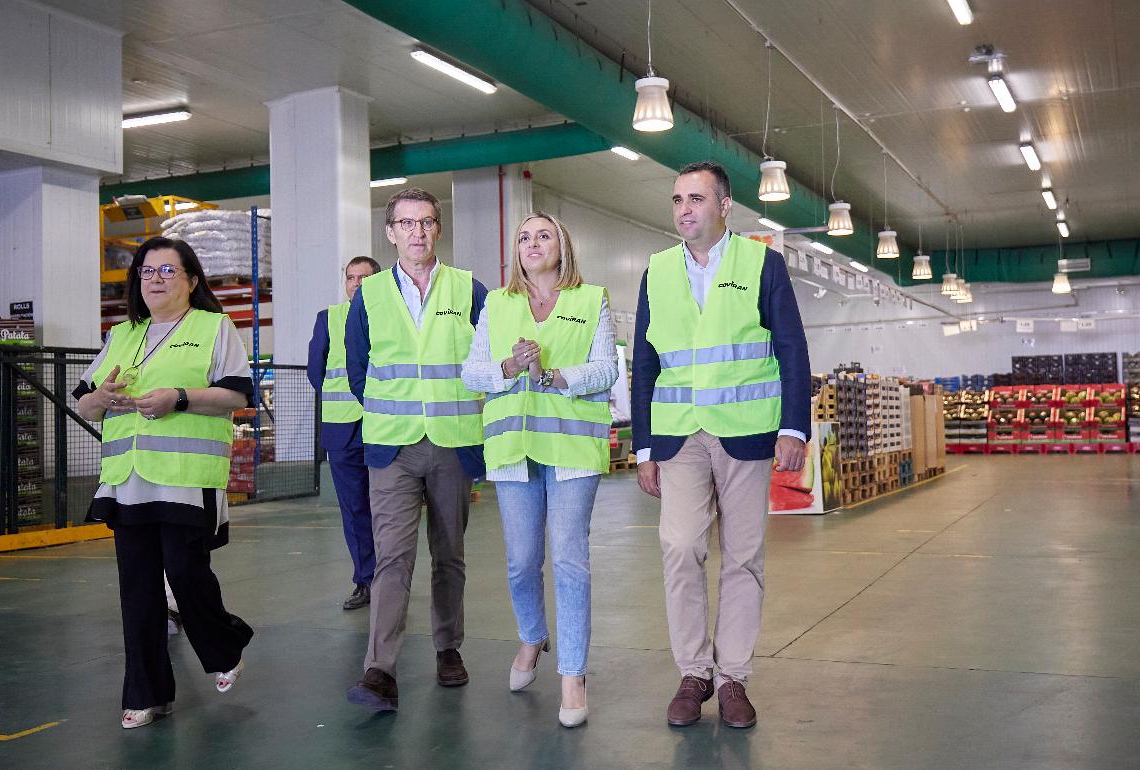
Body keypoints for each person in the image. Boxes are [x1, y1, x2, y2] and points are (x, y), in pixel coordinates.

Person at [632, 161, 810, 729]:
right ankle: (694, 671)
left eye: (697, 199)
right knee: (681, 547)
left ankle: (733, 677)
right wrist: (642, 447)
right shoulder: (656, 271)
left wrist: (793, 427)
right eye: (678, 199)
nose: (685, 209)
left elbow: (791, 348)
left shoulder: (763, 264)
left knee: (743, 556)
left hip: (747, 433)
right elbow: (645, 364)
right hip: (679, 433)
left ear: (724, 206)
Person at [75, 236, 255, 730]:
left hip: (185, 479)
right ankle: (146, 692)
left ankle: (222, 643)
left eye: (167, 271)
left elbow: (235, 396)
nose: (154, 280)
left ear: (192, 280)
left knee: (183, 572)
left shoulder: (214, 328)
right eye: (146, 271)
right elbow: (84, 402)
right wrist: (103, 396)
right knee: (137, 591)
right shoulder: (122, 333)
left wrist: (179, 396)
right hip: (127, 480)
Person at [462, 212, 616, 728]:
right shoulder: (497, 304)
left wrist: (553, 374)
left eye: (543, 235)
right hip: (513, 451)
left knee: (570, 561)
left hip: (572, 451)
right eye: (524, 237)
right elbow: (472, 371)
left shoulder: (590, 299)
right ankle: (532, 635)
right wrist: (506, 370)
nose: (532, 243)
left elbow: (606, 369)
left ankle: (572, 675)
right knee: (521, 561)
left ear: (563, 246)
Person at [343, 188, 488, 713]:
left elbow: (486, 361)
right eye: (406, 224)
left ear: (438, 229)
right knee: (393, 559)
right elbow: (360, 371)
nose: (417, 233)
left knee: (449, 553)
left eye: (426, 223)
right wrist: (396, 414)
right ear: (390, 233)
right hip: (391, 450)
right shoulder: (371, 294)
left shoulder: (470, 290)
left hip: (452, 445)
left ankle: (448, 647)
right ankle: (379, 669)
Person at [307, 255, 381, 610]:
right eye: (351, 278)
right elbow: (315, 371)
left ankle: (392, 580)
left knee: (389, 508)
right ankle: (366, 580)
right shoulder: (329, 319)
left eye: (364, 278)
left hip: (383, 426)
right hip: (342, 430)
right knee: (354, 509)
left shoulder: (390, 317)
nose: (355, 284)